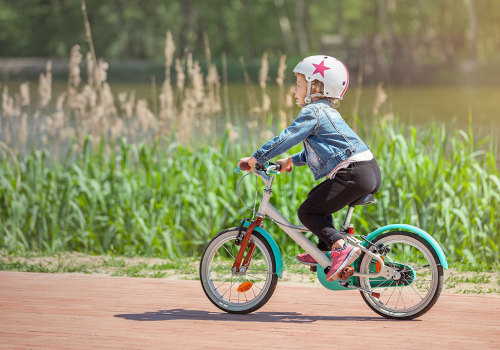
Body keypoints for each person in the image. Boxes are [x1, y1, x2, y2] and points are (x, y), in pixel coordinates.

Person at [238, 55, 381, 281]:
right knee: (315, 198)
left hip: (354, 173)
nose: (294, 90)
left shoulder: (313, 112)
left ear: (316, 86)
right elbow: (324, 150)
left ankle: (340, 248)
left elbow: (288, 136)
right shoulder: (327, 111)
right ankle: (323, 251)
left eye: (299, 84)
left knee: (307, 211)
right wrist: (290, 161)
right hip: (366, 170)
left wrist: (257, 158)